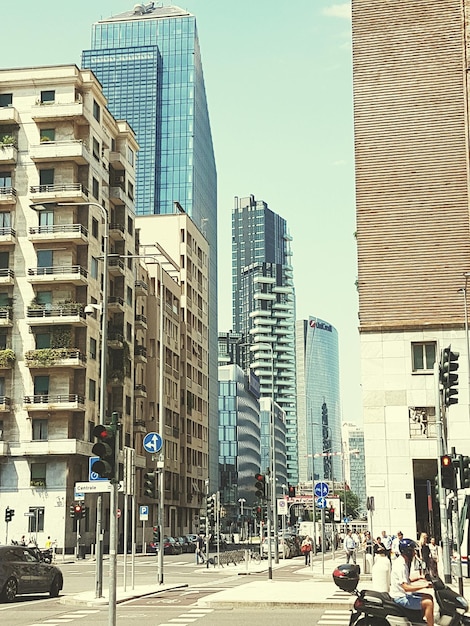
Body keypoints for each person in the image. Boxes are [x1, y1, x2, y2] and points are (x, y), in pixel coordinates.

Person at [390, 537, 434, 626]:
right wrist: (425, 586)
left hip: (404, 594)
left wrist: (420, 578)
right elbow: (406, 587)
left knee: (429, 596)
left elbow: (407, 580)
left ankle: (419, 622)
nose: (414, 553)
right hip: (400, 597)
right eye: (413, 550)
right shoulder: (400, 566)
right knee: (428, 603)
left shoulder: (404, 562)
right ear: (407, 551)